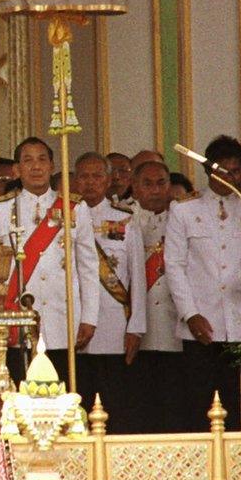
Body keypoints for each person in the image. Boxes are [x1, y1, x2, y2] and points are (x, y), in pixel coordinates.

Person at [165, 135, 241, 431]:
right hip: (201, 324)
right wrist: (191, 314)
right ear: (210, 170)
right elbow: (174, 265)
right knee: (202, 403)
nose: (230, 177)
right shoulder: (184, 210)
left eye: (236, 171)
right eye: (224, 170)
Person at [0, 137, 101, 387]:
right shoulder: (1, 210)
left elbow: (88, 267)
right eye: (28, 160)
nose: (36, 167)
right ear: (16, 170)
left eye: (42, 160)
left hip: (63, 317)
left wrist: (89, 316)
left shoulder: (74, 208)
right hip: (17, 316)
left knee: (63, 392)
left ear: (52, 165)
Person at [74, 152, 146, 432]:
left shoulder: (125, 220)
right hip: (76, 321)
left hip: (114, 324)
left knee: (114, 402)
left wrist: (136, 327)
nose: (90, 183)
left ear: (108, 181)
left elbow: (137, 275)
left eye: (97, 176)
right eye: (83, 176)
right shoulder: (62, 217)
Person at [129, 160, 185, 432]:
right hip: (137, 330)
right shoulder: (124, 218)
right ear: (134, 188)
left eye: (161, 183)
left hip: (174, 326)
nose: (155, 190)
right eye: (147, 184)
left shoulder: (183, 216)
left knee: (175, 407)